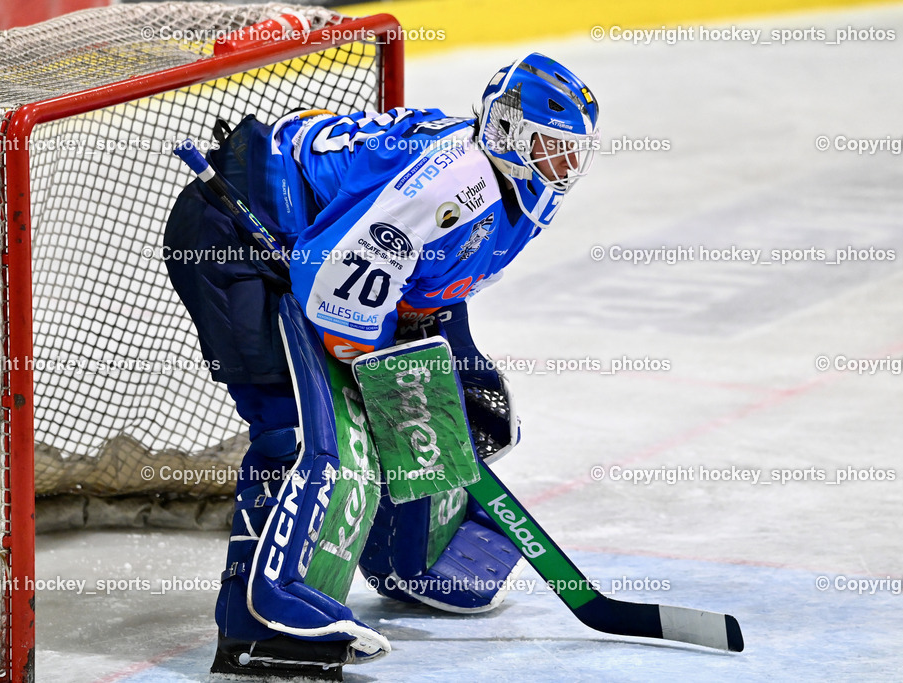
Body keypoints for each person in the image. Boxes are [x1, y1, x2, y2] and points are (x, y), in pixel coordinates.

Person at [164, 52, 599, 680]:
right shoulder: (456, 185)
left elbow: (424, 281)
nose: (563, 167)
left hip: (313, 243)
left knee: (415, 395)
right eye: (550, 147)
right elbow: (332, 286)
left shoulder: (519, 186)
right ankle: (258, 624)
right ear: (505, 130)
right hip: (233, 234)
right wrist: (382, 371)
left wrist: (449, 368)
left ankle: (413, 556)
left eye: (573, 153)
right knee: (292, 427)